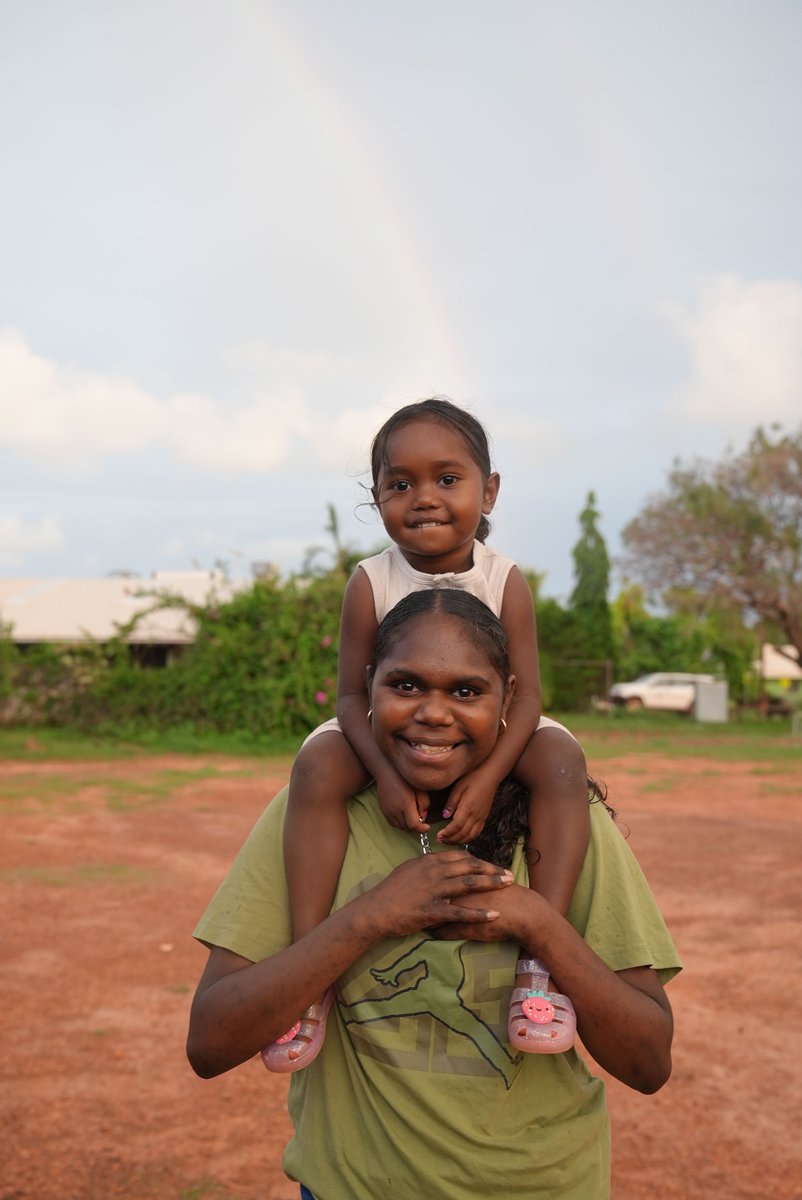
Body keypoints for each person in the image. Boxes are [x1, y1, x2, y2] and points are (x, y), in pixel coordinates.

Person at [187, 589, 681, 1200]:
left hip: (543, 1186)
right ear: (367, 686)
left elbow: (648, 1063)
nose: (434, 714)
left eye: (467, 692)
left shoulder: (563, 826)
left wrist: (538, 923)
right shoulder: (316, 816)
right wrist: (370, 917)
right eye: (405, 685)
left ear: (508, 699)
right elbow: (211, 1042)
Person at [273, 398, 590, 1071]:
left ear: (489, 490)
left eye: (447, 479)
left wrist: (490, 775)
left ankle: (540, 966)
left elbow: (528, 696)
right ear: (377, 497)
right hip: (385, 732)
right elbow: (352, 694)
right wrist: (384, 775)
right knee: (318, 765)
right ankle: (309, 971)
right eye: (400, 483)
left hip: (490, 728)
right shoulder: (370, 581)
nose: (423, 497)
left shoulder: (504, 580)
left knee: (562, 759)